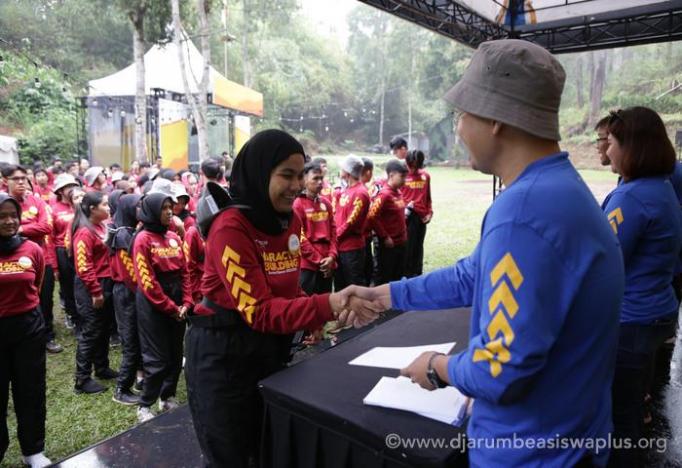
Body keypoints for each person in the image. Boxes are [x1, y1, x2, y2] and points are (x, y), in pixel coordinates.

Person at [340, 39, 625, 467]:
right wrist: (384, 295)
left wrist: (438, 367)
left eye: (462, 114)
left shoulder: (523, 212)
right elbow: (471, 275)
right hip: (571, 434)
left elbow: (500, 370)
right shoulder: (558, 190)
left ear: (494, 118)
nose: (458, 129)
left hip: (531, 453)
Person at [184, 129, 378, 468]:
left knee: (268, 446)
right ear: (260, 173)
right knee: (230, 455)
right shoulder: (230, 227)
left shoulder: (290, 220)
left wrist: (312, 315)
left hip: (268, 348)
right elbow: (258, 310)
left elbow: (287, 285)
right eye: (286, 175)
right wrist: (330, 304)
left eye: (300, 175)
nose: (297, 185)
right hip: (224, 354)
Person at [601, 107, 682, 467]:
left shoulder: (632, 197)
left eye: (612, 142)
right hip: (657, 312)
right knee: (634, 404)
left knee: (620, 414)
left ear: (632, 147)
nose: (607, 151)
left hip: (631, 321)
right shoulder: (660, 187)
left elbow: (605, 262)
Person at [0, 194, 52, 468]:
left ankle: (33, 450)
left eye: (13, 215)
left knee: (30, 391)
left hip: (28, 330)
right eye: (2, 216)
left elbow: (37, 285)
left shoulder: (32, 249)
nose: (9, 221)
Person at [132, 193, 192, 423]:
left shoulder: (174, 237)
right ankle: (145, 404)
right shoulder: (143, 239)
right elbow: (147, 281)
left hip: (177, 302)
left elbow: (185, 271)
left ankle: (167, 396)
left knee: (176, 355)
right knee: (156, 358)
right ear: (151, 211)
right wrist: (170, 307)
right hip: (154, 304)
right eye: (163, 208)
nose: (169, 211)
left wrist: (186, 302)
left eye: (170, 207)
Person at [1, 164, 61, 353]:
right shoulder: (4, 203)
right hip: (9, 260)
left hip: (41, 258)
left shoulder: (37, 201)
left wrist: (19, 229)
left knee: (45, 299)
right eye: (16, 179)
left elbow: (47, 226)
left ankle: (47, 335)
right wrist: (31, 227)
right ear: (5, 181)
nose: (21, 182)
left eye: (24, 178)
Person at [72, 191, 118, 394]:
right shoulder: (84, 232)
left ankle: (101, 367)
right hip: (91, 286)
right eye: (105, 204)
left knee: (104, 327)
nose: (109, 208)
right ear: (92, 209)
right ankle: (82, 379)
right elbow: (83, 266)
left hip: (106, 282)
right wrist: (96, 292)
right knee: (90, 331)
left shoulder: (101, 226)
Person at [107, 194, 143, 406]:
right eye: (137, 207)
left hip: (131, 291)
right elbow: (129, 273)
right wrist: (143, 292)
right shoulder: (122, 236)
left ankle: (140, 378)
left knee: (138, 336)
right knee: (130, 340)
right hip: (126, 292)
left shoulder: (129, 231)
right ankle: (122, 389)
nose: (140, 210)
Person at [293, 161, 337, 295]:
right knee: (307, 301)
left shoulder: (326, 203)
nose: (320, 182)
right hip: (308, 264)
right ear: (305, 180)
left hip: (327, 261)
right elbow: (299, 236)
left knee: (326, 300)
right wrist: (319, 260)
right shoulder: (298, 204)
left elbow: (333, 232)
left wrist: (332, 256)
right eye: (315, 178)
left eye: (321, 178)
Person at [366, 159, 408, 284]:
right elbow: (371, 216)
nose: (405, 180)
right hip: (389, 245)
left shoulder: (398, 192)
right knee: (385, 278)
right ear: (391, 175)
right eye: (402, 177)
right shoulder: (384, 195)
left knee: (398, 277)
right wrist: (384, 236)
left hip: (401, 242)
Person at [333, 155, 370, 290]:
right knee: (340, 285)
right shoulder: (346, 190)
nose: (340, 170)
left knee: (355, 285)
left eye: (342, 168)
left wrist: (334, 237)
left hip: (352, 249)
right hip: (340, 246)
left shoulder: (360, 193)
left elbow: (350, 223)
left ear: (347, 172)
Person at [50, 174, 81, 332]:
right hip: (62, 251)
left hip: (80, 248)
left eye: (73, 185)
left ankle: (84, 313)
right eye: (68, 186)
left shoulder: (80, 204)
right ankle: (73, 316)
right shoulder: (54, 210)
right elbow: (50, 238)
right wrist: (55, 266)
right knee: (68, 285)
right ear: (60, 191)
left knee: (82, 282)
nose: (72, 189)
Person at [402, 149, 433, 277]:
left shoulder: (426, 176)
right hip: (407, 216)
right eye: (411, 165)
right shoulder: (402, 176)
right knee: (408, 247)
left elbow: (428, 198)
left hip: (421, 218)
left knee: (419, 246)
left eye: (416, 165)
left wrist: (430, 213)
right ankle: (407, 275)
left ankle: (417, 274)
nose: (413, 169)